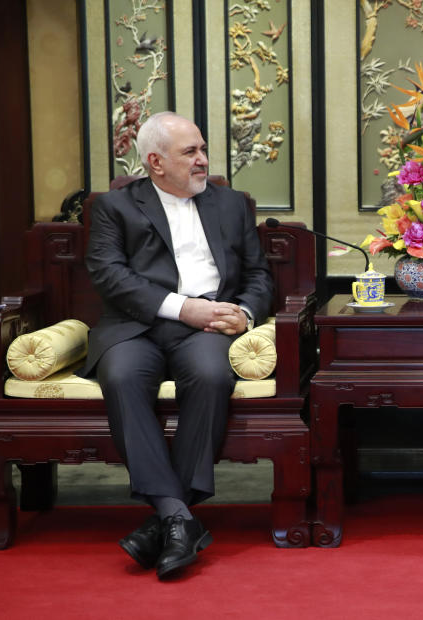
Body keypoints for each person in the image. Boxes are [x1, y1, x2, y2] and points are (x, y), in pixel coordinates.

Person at [82, 111, 274, 579]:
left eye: (203, 149)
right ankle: (178, 518)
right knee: (123, 376)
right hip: (136, 326)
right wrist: (181, 308)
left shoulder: (231, 205)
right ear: (155, 162)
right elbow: (110, 276)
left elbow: (259, 276)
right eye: (191, 152)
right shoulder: (115, 207)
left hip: (209, 327)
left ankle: (168, 520)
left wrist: (242, 313)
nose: (203, 160)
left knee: (211, 375)